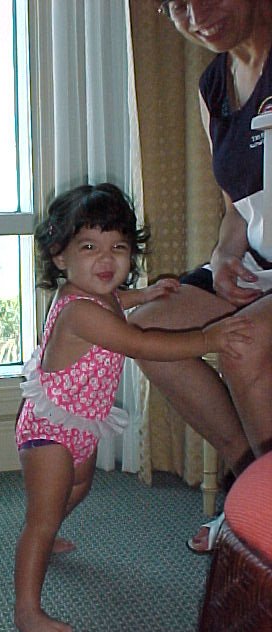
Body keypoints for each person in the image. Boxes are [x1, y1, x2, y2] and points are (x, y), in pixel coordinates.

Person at [13, 183, 253, 632]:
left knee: (77, 488)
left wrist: (146, 295)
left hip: (80, 424)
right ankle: (27, 608)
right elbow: (141, 343)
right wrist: (208, 339)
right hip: (49, 431)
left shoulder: (94, 295)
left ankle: (46, 534)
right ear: (60, 257)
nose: (106, 259)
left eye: (118, 247)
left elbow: (117, 302)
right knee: (41, 518)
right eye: (89, 247)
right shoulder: (79, 313)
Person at [129, 0, 272, 554]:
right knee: (145, 331)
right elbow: (237, 208)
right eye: (176, 5)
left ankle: (263, 513)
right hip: (258, 263)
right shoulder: (213, 86)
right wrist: (226, 255)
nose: (197, 12)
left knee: (241, 342)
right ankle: (250, 485)